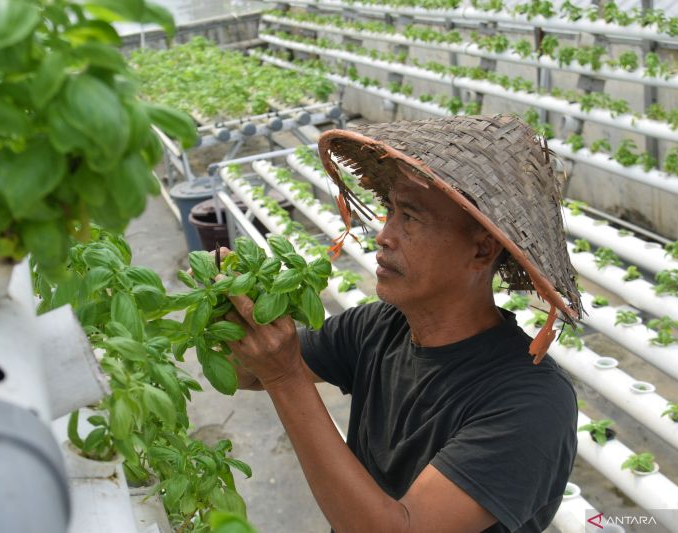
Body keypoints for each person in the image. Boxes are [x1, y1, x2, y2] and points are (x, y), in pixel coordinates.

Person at [223, 115, 582, 532]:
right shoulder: (380, 327)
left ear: (482, 251)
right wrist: (231, 312)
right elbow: (247, 374)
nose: (383, 235)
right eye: (390, 210)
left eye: (410, 217)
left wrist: (285, 377)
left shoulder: (531, 402)